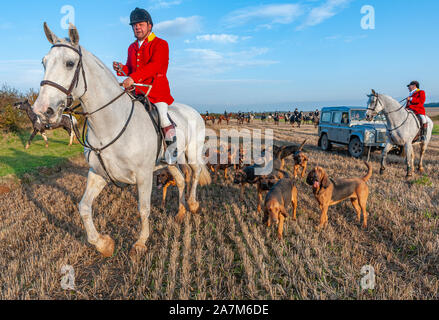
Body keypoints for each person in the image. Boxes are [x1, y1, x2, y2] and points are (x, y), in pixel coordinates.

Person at [113, 8, 177, 164]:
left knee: (162, 117)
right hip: (136, 91)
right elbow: (131, 68)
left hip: (156, 91)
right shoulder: (132, 47)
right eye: (134, 25)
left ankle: (172, 153)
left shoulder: (161, 44)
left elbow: (154, 66)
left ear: (149, 25)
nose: (137, 28)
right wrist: (122, 69)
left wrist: (132, 77)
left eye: (140, 24)